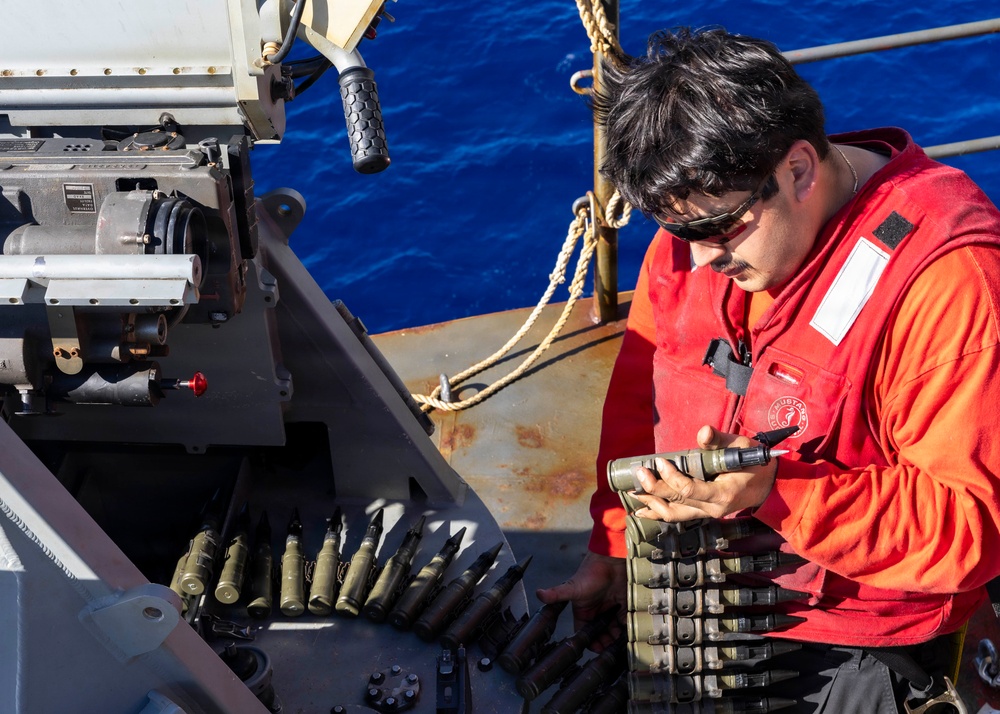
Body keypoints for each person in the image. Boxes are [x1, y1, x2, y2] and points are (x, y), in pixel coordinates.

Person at [536, 26, 1000, 712]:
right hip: (705, 599)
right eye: (679, 232)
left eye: (718, 231)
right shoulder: (701, 215)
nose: (694, 262)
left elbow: (966, 530)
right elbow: (643, 395)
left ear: (801, 170)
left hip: (860, 636)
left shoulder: (949, 285)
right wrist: (612, 545)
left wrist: (776, 494)